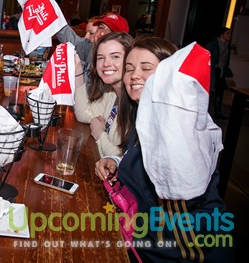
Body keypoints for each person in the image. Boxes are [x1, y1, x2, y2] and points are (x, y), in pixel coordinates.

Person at [95, 37, 233, 262]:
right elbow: (143, 161)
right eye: (129, 69)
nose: (134, 75)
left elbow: (187, 225)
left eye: (146, 68)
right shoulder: (146, 115)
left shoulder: (176, 129)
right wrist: (116, 161)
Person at [73, 32, 133, 157]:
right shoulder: (112, 94)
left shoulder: (135, 104)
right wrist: (78, 72)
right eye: (100, 58)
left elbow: (121, 160)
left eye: (115, 56)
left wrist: (100, 134)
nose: (106, 63)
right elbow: (84, 114)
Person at [57, 12, 130, 89]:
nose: (102, 33)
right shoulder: (89, 47)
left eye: (110, 31)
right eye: (101, 28)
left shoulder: (121, 66)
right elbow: (66, 34)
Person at [206, 27, 233, 119]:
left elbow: (225, 61)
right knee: (210, 92)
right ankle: (206, 113)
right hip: (213, 71)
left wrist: (228, 73)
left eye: (230, 34)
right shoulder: (213, 44)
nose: (229, 35)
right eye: (227, 33)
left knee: (220, 92)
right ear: (222, 34)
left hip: (221, 72)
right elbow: (207, 56)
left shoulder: (227, 46)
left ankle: (217, 112)